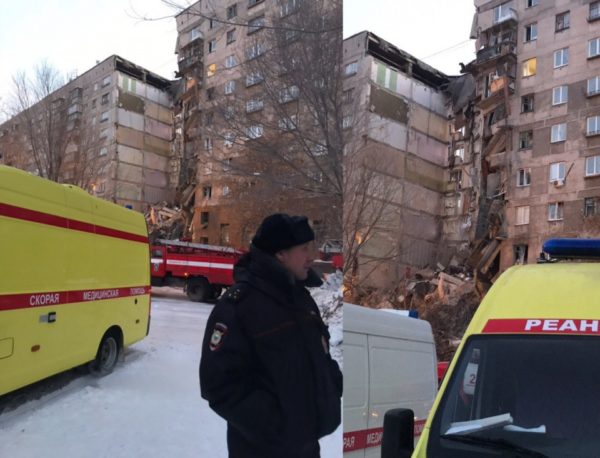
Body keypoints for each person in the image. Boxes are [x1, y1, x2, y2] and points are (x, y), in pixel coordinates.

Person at [199, 213, 343, 458]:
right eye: (304, 249)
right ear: (280, 253)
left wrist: (331, 387)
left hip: (306, 449)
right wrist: (280, 426)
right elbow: (219, 385)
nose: (311, 256)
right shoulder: (239, 305)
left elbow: (320, 356)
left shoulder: (301, 299)